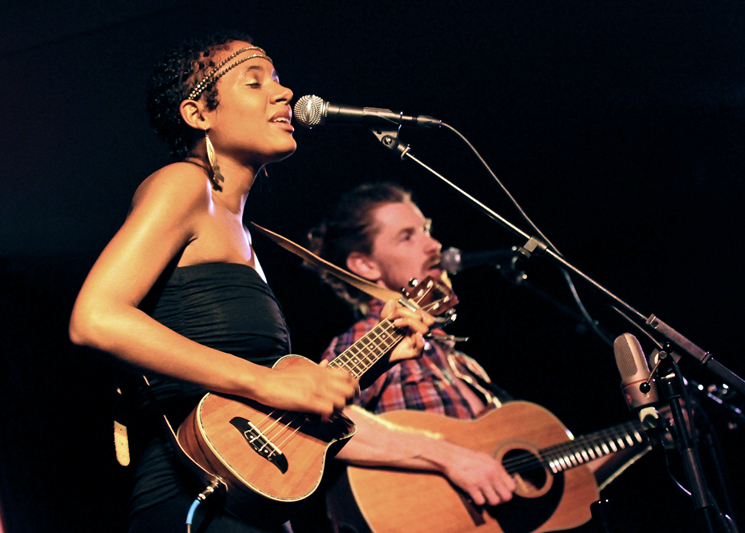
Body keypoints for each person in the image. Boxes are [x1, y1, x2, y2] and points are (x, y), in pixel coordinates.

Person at [68, 33, 432, 533]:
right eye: (255, 82)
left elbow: (265, 404)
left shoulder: (245, 235)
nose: (285, 94)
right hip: (191, 502)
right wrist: (267, 381)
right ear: (198, 114)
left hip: (252, 499)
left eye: (279, 81)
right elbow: (95, 319)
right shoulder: (183, 183)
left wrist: (377, 355)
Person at [307, 182, 651, 531]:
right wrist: (450, 457)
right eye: (407, 237)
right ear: (365, 264)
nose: (434, 245)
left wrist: (650, 431)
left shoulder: (462, 364)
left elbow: (554, 487)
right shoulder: (368, 339)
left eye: (426, 229)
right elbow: (314, 417)